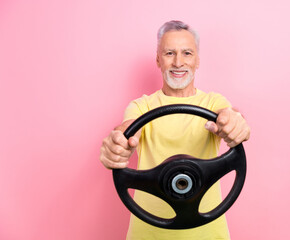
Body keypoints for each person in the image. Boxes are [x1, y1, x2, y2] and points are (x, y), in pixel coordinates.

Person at [100, 20, 250, 240]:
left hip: (207, 233)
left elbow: (228, 116)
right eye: (170, 53)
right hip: (148, 233)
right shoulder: (141, 107)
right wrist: (117, 144)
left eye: (187, 53)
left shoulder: (213, 102)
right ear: (158, 60)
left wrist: (236, 123)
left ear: (197, 60)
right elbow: (127, 132)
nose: (178, 62)